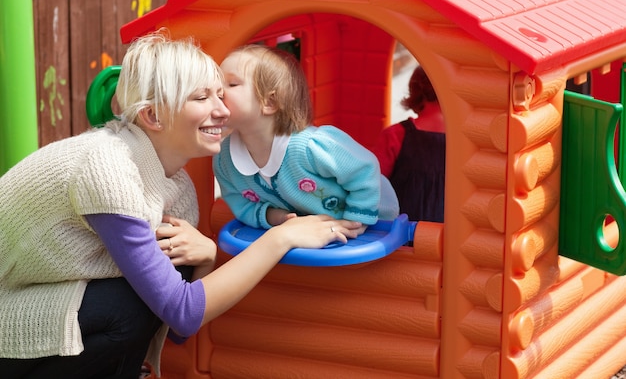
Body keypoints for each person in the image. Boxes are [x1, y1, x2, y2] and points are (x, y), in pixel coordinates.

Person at [0, 31, 363, 379]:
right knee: (125, 308)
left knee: (142, 301)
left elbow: (173, 327)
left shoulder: (176, 186)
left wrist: (206, 257)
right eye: (202, 98)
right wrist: (281, 237)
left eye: (222, 95)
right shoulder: (105, 165)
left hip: (46, 295)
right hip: (10, 309)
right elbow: (181, 312)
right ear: (154, 117)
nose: (222, 110)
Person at [213, 44, 399, 230]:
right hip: (314, 237)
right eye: (216, 85)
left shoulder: (310, 146)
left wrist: (355, 222)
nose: (219, 92)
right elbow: (238, 201)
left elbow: (364, 170)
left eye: (232, 84)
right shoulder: (224, 160)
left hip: (376, 222)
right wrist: (273, 216)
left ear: (269, 102)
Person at [373, 64, 445, 223]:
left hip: (402, 233)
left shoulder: (396, 135)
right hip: (450, 236)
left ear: (416, 91)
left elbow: (373, 184)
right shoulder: (466, 141)